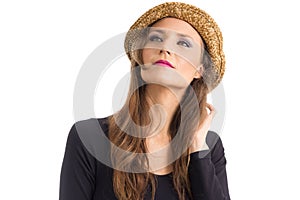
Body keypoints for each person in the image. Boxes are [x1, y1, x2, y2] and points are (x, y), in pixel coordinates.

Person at [59, 2, 230, 200]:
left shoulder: (209, 147)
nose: (165, 48)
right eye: (156, 38)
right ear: (141, 55)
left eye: (183, 43)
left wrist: (197, 151)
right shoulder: (89, 137)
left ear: (199, 70)